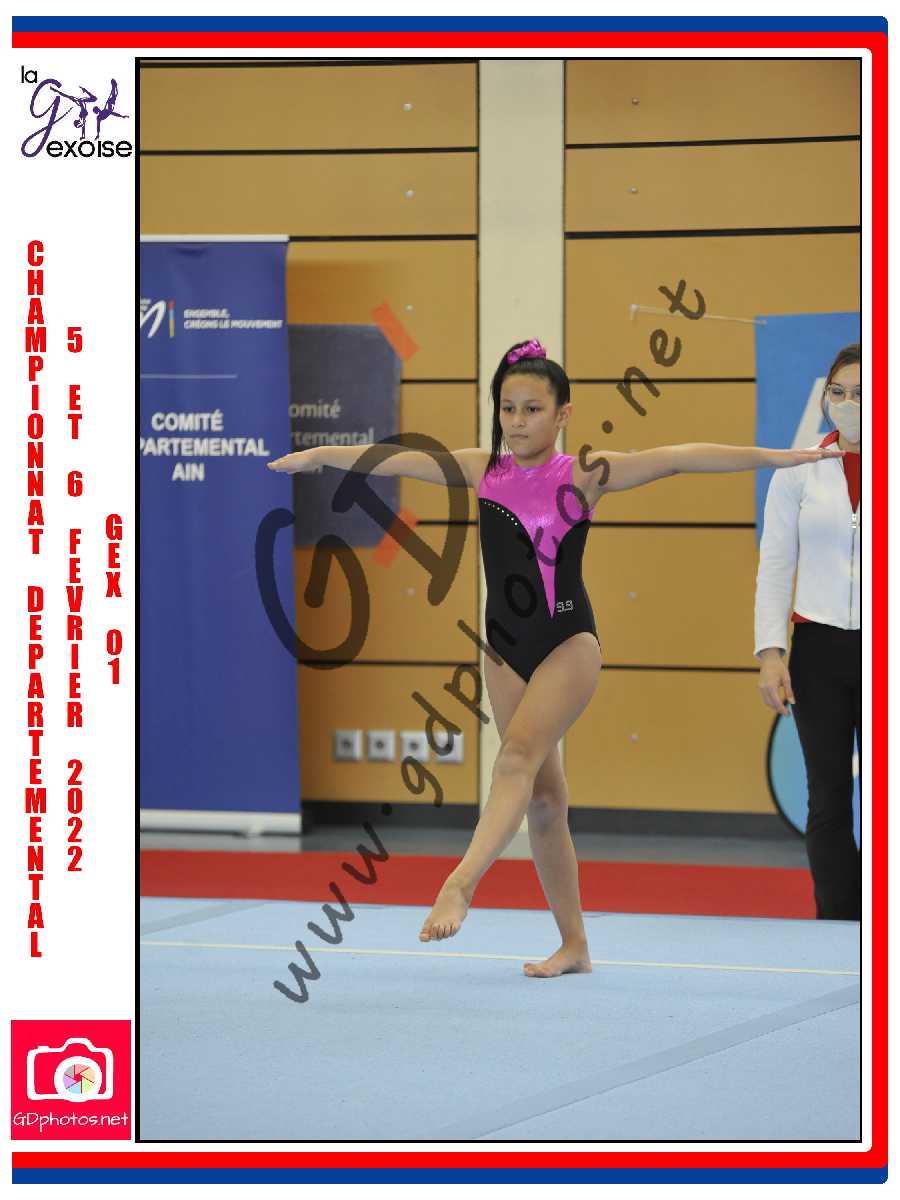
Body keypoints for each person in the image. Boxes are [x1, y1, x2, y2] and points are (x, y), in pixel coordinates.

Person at [268, 338, 844, 976]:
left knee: (515, 757)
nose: (517, 422)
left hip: (569, 643)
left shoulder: (584, 474)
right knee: (544, 798)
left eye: (532, 409)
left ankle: (460, 882)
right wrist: (321, 456)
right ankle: (574, 945)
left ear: (563, 414)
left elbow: (680, 459)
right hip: (503, 650)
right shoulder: (482, 469)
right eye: (507, 409)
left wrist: (782, 458)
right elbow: (397, 459)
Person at [754, 343, 861, 920]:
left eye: (862, 393)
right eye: (837, 392)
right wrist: (771, 653)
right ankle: (839, 921)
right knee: (827, 796)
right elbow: (775, 564)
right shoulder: (798, 468)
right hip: (818, 651)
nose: (847, 403)